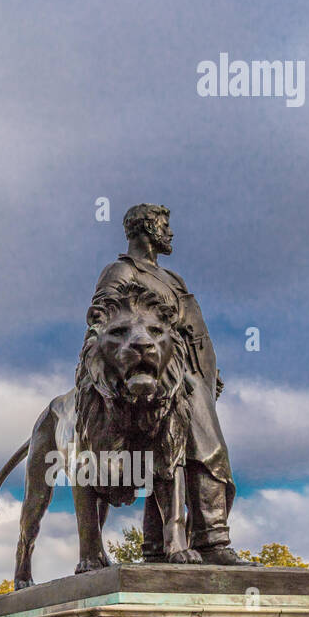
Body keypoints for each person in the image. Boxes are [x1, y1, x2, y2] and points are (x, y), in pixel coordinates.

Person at [94, 205, 246, 565]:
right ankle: (211, 540)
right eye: (164, 226)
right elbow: (103, 326)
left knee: (173, 459)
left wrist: (208, 368)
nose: (170, 233)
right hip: (157, 382)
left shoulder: (173, 279)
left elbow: (193, 332)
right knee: (208, 455)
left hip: (191, 376)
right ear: (146, 229)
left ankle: (158, 547)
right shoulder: (120, 272)